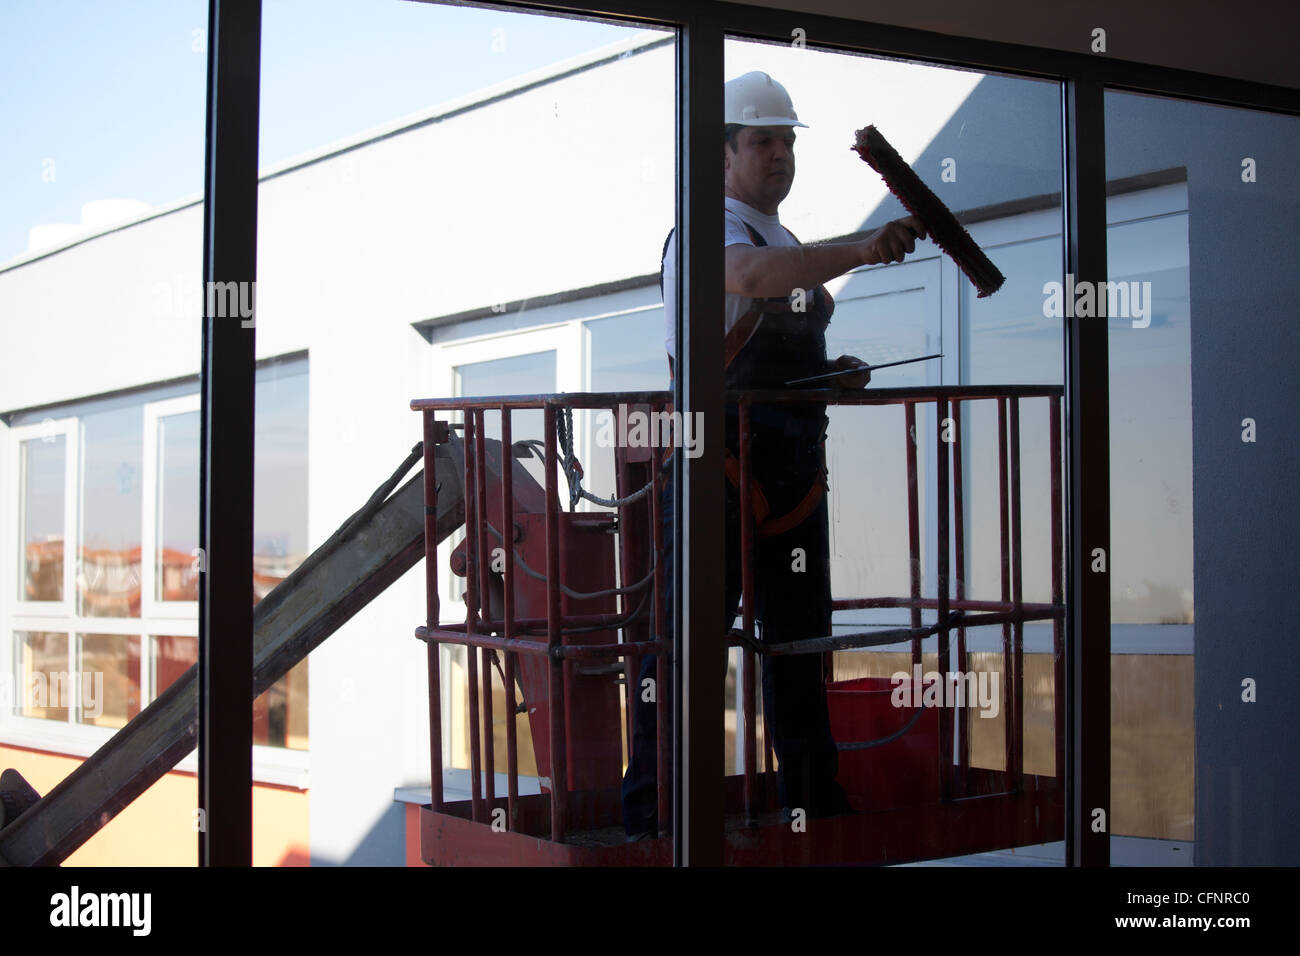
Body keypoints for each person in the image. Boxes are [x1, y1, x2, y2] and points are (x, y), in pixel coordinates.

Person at [621, 70, 927, 839]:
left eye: (787, 141)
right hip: (713, 473)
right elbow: (749, 281)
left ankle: (812, 803)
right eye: (763, 141)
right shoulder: (704, 234)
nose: (780, 155)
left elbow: (779, 308)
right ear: (722, 156)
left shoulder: (786, 240)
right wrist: (860, 247)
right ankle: (657, 819)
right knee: (682, 653)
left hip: (791, 476)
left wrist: (831, 371)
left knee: (800, 646)